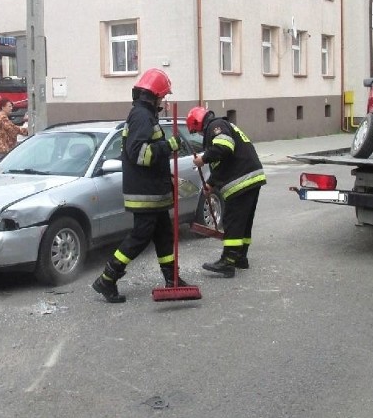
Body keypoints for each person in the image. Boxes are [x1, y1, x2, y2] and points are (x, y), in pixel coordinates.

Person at [92, 68, 191, 303]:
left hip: (154, 191)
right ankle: (107, 278)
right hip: (145, 193)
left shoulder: (144, 115)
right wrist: (169, 146)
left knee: (164, 236)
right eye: (162, 96)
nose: (163, 101)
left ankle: (172, 279)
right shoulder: (142, 117)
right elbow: (139, 154)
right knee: (139, 237)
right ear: (153, 95)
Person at [187, 107, 266, 278]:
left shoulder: (216, 125)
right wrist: (210, 183)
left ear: (198, 123)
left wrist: (203, 158)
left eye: (197, 131)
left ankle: (227, 262)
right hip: (251, 176)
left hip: (241, 179)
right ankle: (240, 257)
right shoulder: (223, 124)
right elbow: (222, 163)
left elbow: (224, 148)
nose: (200, 135)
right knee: (244, 222)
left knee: (233, 221)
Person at [0, 98, 28, 166]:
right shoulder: (2, 117)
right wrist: (26, 131)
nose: (11, 108)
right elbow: (12, 128)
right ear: (3, 107)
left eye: (11, 106)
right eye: (9, 106)